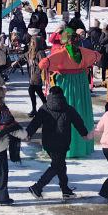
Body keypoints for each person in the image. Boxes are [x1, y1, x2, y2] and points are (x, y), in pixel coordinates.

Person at [38, 28, 99, 159]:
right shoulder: (83, 51)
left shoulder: (61, 52)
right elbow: (97, 55)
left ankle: (65, 147)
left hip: (66, 83)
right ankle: (82, 146)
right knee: (80, 111)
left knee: (62, 112)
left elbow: (44, 63)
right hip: (81, 83)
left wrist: (53, 67)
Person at [26, 85, 89, 199]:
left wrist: (28, 134)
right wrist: (84, 134)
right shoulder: (69, 109)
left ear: (50, 95)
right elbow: (78, 122)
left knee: (60, 165)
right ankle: (37, 187)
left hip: (48, 143)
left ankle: (65, 190)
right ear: (62, 95)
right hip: (62, 142)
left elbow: (35, 122)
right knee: (57, 165)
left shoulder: (44, 108)